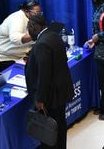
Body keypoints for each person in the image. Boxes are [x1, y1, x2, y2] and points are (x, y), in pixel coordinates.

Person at [25, 14, 74, 149]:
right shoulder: (53, 35)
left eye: (28, 29)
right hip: (61, 90)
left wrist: (40, 98)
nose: (28, 32)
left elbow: (44, 74)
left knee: (49, 130)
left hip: (51, 95)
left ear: (33, 27)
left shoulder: (41, 44)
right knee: (60, 125)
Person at [0, 0, 41, 72]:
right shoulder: (17, 19)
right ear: (26, 11)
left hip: (18, 55)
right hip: (4, 57)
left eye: (39, 12)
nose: (38, 15)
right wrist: (37, 33)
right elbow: (16, 39)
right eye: (36, 13)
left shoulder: (30, 18)